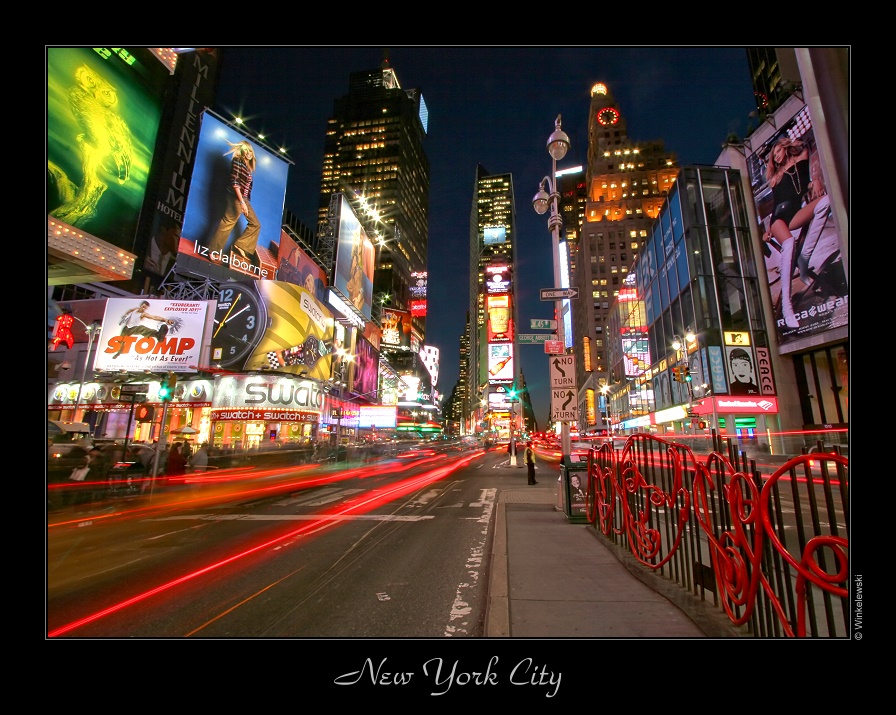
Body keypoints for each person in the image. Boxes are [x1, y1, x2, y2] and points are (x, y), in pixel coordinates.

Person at [761, 133, 828, 329]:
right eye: (774, 156)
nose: (776, 157)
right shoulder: (775, 177)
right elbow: (776, 204)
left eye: (778, 151)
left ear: (784, 147)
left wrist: (814, 181)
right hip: (779, 219)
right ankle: (787, 306)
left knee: (825, 202)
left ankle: (804, 259)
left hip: (795, 213)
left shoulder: (800, 159)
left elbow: (802, 184)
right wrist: (768, 229)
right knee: (789, 243)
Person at [207, 140, 261, 264]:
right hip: (235, 197)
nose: (248, 153)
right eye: (245, 150)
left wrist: (244, 201)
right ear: (242, 151)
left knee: (256, 224)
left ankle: (241, 246)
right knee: (229, 221)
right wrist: (241, 202)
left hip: (244, 198)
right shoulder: (237, 161)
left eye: (250, 151)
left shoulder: (248, 168)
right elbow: (235, 182)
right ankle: (213, 251)